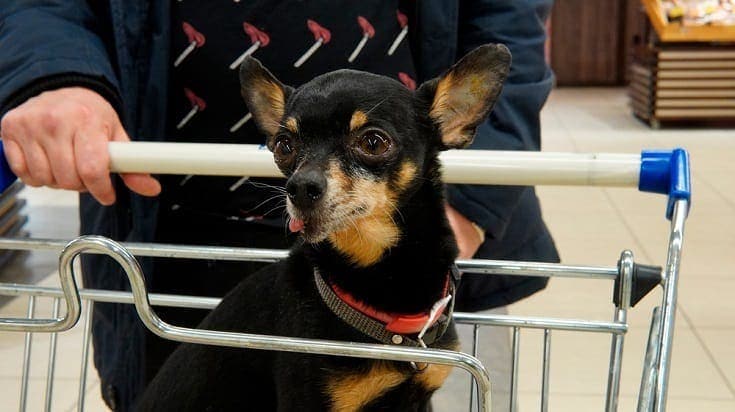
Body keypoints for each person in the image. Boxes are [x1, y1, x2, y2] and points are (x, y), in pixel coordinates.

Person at [0, 1, 559, 410]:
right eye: (288, 148)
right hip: (168, 234)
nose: (308, 175)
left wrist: (470, 210)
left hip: (445, 248)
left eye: (370, 144)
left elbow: (508, 16)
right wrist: (54, 73)